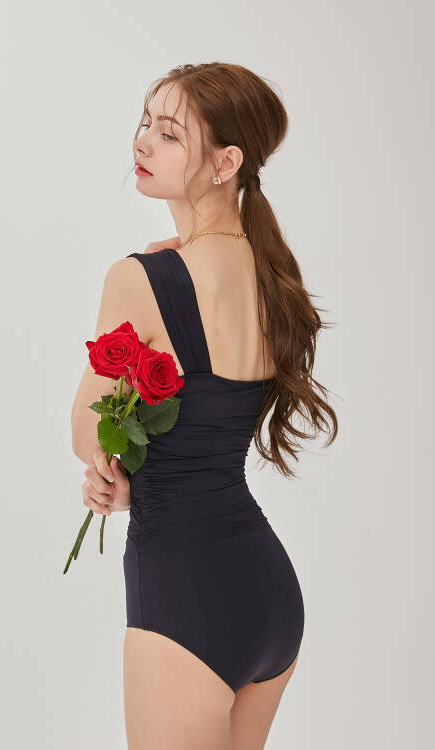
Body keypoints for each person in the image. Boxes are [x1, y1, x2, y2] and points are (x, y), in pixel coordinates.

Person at [71, 62, 338, 750]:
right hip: (268, 594)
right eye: (145, 124)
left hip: (183, 596)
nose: (142, 142)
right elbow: (205, 429)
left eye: (168, 134)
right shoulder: (274, 277)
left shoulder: (141, 278)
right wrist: (134, 480)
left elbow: (88, 434)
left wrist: (112, 472)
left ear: (226, 163)